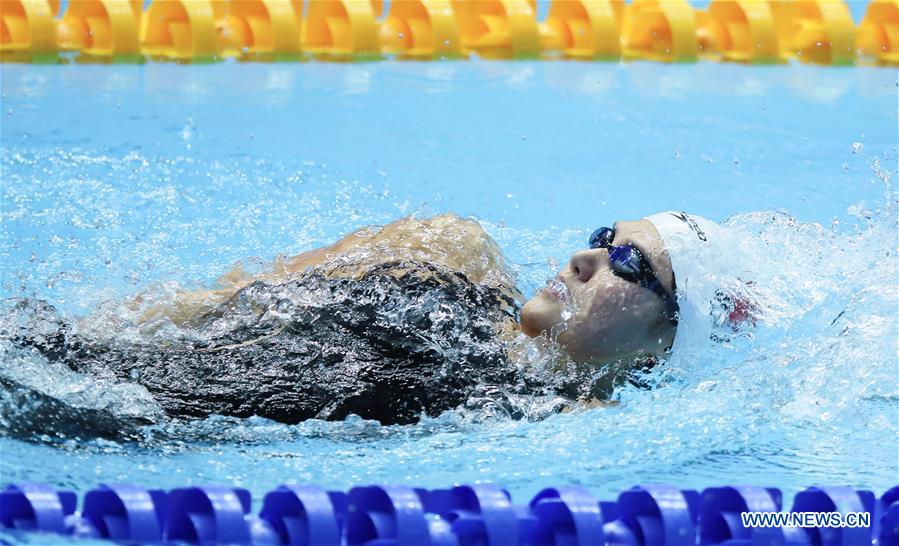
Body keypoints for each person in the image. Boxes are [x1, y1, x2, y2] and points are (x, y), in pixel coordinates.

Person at [4, 211, 742, 432]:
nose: (586, 260)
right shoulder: (449, 251)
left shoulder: (551, 420)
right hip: (57, 359)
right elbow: (193, 302)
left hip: (89, 416)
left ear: (664, 343)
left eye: (630, 266)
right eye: (603, 236)